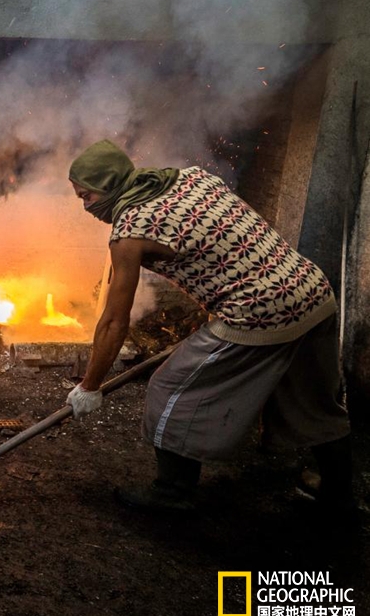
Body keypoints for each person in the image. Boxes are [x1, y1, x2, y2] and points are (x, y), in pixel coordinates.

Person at [65, 139, 352, 515]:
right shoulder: (191, 178)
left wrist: (90, 386)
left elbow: (114, 321)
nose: (87, 208)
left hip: (259, 311)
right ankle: (340, 492)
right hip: (312, 290)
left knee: (171, 387)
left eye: (87, 196)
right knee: (313, 395)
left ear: (109, 184)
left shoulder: (128, 233)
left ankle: (172, 492)